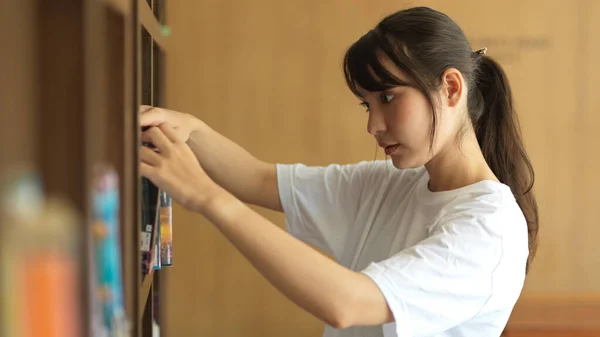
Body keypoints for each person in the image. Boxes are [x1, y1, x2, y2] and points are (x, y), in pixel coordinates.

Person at [139, 6, 539, 337]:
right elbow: (258, 179)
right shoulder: (392, 184)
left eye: (388, 97)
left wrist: (205, 198)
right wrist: (189, 128)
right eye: (368, 105)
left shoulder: (489, 228)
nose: (374, 126)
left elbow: (346, 303)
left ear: (451, 89)